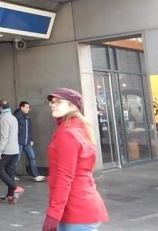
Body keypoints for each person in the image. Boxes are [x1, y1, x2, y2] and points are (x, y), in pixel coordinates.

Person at [43, 88, 108, 231]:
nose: (53, 105)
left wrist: (53, 214)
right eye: (52, 102)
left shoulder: (67, 133)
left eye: (58, 102)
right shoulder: (80, 128)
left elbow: (65, 176)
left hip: (75, 210)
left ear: (72, 105)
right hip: (84, 206)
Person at [0, 100, 23, 203]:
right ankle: (10, 196)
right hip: (15, 149)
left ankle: (15, 187)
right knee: (10, 172)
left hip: (6, 150)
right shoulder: (13, 118)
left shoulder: (4, 119)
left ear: (0, 107)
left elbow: (4, 137)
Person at [14, 101, 46, 182]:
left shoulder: (28, 117)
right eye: (27, 107)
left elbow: (29, 129)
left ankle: (36, 175)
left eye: (29, 107)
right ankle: (11, 175)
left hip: (27, 142)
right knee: (16, 159)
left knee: (32, 157)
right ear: (22, 107)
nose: (29, 109)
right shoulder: (17, 117)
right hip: (19, 142)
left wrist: (31, 139)